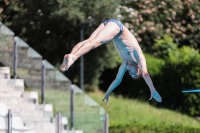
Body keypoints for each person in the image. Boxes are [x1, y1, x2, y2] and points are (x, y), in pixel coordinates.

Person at [60, 19, 162, 106]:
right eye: (134, 73)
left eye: (131, 74)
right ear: (138, 68)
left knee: (89, 41)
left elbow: (117, 80)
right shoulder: (139, 58)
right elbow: (145, 74)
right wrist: (152, 89)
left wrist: (107, 94)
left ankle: (70, 56)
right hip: (117, 28)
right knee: (95, 43)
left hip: (110, 26)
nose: (130, 73)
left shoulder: (125, 64)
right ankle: (73, 57)